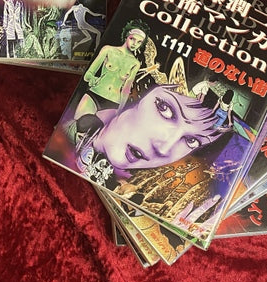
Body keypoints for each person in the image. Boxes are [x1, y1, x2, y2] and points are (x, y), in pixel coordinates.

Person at [76, 84, 229, 179]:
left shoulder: (124, 185)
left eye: (191, 141)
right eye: (165, 109)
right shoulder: (77, 121)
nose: (163, 149)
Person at [74, 19, 150, 118]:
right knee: (78, 123)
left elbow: (126, 89)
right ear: (126, 36)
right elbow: (88, 74)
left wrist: (120, 110)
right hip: (94, 95)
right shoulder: (108, 50)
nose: (135, 44)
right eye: (132, 39)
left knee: (98, 129)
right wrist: (92, 78)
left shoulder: (135, 63)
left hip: (113, 103)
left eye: (139, 42)